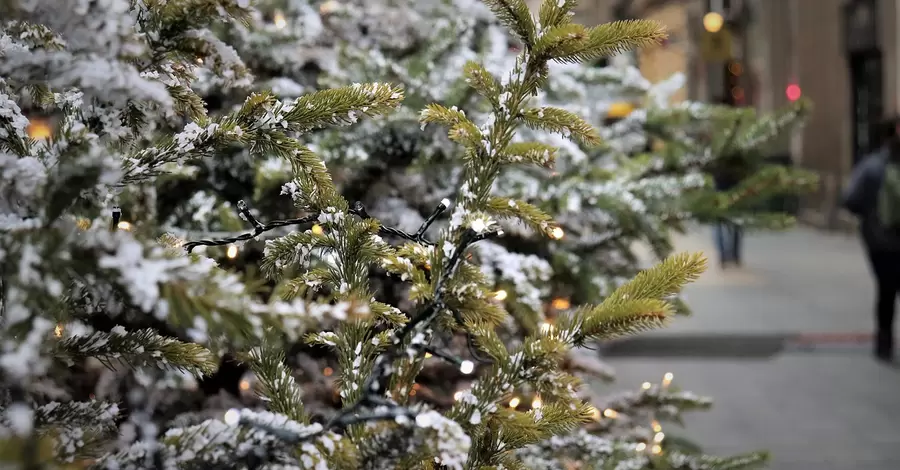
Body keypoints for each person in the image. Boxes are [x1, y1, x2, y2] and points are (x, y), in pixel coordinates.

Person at [842, 117, 900, 362]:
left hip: (881, 241)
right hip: (886, 240)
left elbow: (850, 200)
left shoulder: (871, 166)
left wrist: (871, 217)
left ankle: (883, 343)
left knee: (886, 292)